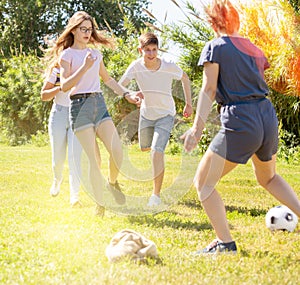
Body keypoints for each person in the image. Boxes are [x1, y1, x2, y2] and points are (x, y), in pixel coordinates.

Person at [181, 0, 300, 254]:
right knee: (268, 177)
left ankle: (225, 244)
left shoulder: (215, 47)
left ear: (213, 22)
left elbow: (209, 89)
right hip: (266, 115)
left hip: (241, 118)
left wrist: (196, 130)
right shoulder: (254, 49)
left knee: (203, 183)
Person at [49, 11, 141, 216]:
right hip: (79, 106)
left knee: (117, 150)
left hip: (98, 104)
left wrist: (127, 94)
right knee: (95, 160)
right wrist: (83, 67)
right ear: (73, 30)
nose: (87, 33)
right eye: (83, 29)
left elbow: (107, 80)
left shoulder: (96, 54)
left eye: (89, 29)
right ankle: (100, 204)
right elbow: (64, 86)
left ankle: (112, 183)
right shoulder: (67, 55)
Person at [119, 32, 193, 206]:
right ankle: (153, 153)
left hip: (166, 114)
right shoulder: (136, 67)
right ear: (140, 50)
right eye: (147, 50)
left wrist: (188, 104)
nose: (151, 54)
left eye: (154, 50)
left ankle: (155, 196)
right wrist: (130, 94)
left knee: (156, 151)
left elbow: (185, 78)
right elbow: (120, 85)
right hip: (146, 114)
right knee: (145, 148)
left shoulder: (168, 66)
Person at [41, 62, 82, 207]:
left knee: (74, 155)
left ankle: (74, 196)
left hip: (77, 114)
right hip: (59, 114)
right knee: (58, 157)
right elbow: (44, 95)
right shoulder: (57, 71)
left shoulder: (82, 68)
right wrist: (60, 87)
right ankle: (57, 179)